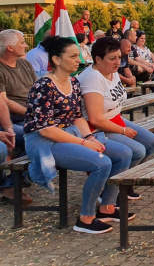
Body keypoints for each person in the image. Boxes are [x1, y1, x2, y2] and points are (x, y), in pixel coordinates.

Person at [24, 37, 133, 234]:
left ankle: (107, 206)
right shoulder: (44, 86)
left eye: (78, 55)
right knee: (102, 163)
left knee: (124, 154)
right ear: (56, 60)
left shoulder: (73, 83)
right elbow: (46, 129)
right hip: (44, 141)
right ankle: (85, 218)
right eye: (73, 56)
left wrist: (90, 138)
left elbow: (76, 117)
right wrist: (84, 142)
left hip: (69, 133)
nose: (79, 60)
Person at [79, 37, 154, 199]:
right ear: (98, 60)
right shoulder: (92, 78)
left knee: (152, 142)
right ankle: (108, 191)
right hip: (96, 127)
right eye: (112, 59)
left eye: (119, 58)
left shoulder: (112, 72)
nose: (117, 62)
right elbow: (95, 119)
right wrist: (123, 131)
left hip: (114, 119)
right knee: (136, 151)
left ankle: (125, 181)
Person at [0, 29, 36, 205]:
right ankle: (11, 185)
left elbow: (37, 91)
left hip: (29, 116)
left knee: (60, 136)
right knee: (35, 138)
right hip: (11, 119)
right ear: (10, 47)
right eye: (22, 42)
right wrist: (30, 113)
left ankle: (14, 182)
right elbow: (3, 101)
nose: (26, 45)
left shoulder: (25, 65)